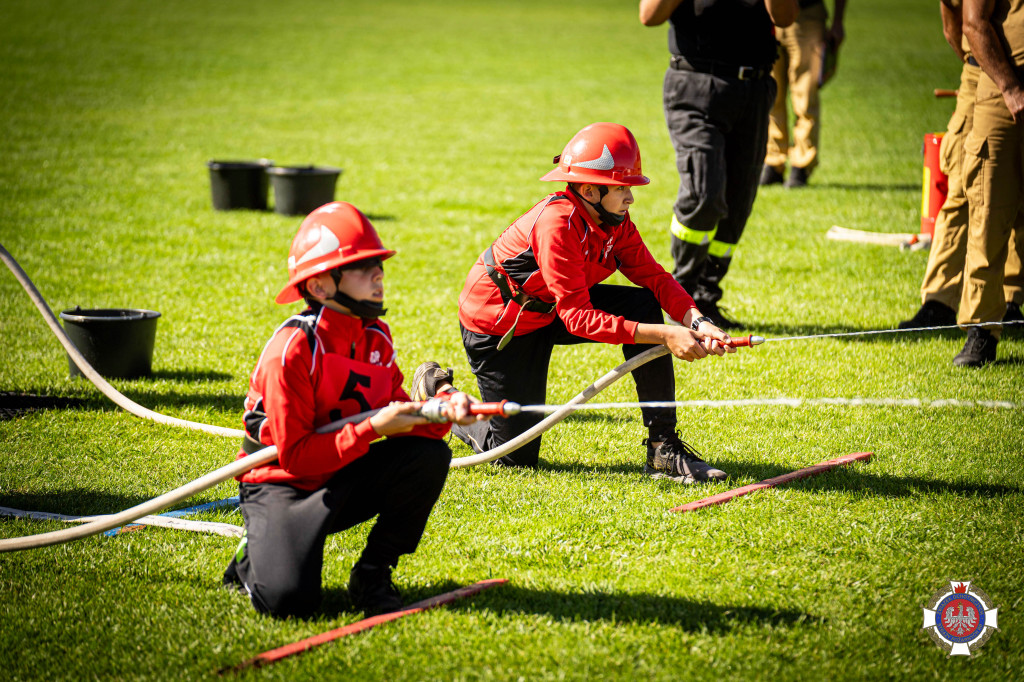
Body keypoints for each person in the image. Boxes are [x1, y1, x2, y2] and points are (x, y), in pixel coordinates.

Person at [222, 201, 488, 618]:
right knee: (289, 605)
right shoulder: (291, 351)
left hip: (343, 470)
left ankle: (373, 572)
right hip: (283, 484)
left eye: (378, 264)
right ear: (321, 286)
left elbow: (403, 414)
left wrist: (441, 411)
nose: (378, 274)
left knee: (429, 455)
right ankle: (252, 552)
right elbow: (295, 457)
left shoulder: (376, 337)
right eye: (363, 267)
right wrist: (372, 429)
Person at [453, 122, 735, 484]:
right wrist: (666, 335)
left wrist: (696, 321)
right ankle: (442, 396)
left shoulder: (614, 220)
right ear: (589, 189)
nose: (631, 198)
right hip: (500, 325)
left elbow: (655, 277)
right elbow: (578, 319)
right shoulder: (558, 224)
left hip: (552, 307)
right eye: (623, 189)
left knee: (642, 303)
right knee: (513, 457)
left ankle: (662, 450)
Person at [640, 0, 799, 329]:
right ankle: (680, 297)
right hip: (695, 83)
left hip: (754, 88)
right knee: (704, 194)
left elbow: (785, 17)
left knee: (738, 203)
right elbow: (649, 15)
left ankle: (707, 298)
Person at [898, 0, 1023, 333]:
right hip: (982, 71)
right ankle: (940, 301)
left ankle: (1012, 301)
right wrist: (982, 64)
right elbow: (956, 20)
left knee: (1015, 195)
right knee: (965, 189)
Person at [956, 0, 1024, 365]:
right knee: (989, 211)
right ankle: (982, 330)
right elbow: (972, 23)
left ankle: (1015, 304)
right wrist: (1010, 86)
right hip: (1003, 90)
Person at [760, 0, 848, 188]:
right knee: (770, 94)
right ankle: (773, 160)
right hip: (766, 16)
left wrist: (838, 21)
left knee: (805, 96)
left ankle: (801, 164)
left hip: (806, 14)